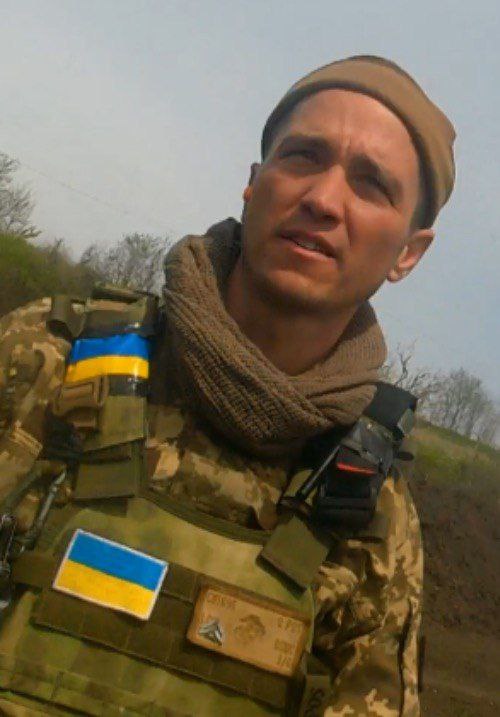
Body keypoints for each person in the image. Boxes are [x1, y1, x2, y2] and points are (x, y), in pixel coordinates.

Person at [0, 55, 455, 716]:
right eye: (302, 156)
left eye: (371, 185)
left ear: (409, 252)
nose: (323, 199)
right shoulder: (48, 358)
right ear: (253, 182)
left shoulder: (371, 517)